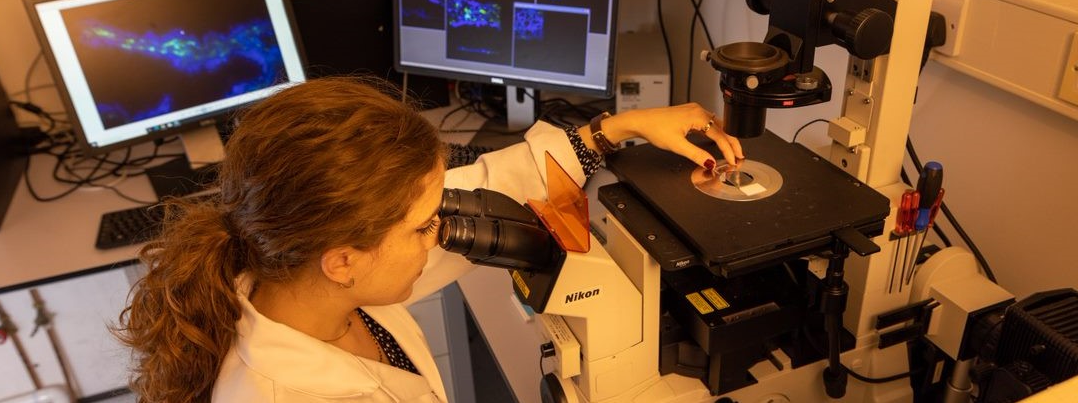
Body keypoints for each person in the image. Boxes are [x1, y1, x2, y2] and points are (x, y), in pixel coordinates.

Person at [116, 77, 743, 402]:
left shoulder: (297, 267)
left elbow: (484, 185)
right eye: (422, 228)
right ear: (343, 261)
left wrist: (615, 129)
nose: (440, 232)